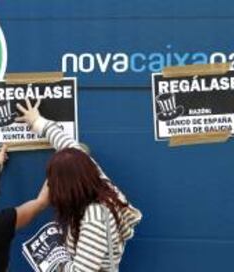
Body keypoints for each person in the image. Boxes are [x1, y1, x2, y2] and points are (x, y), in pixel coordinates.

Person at [17, 99, 142, 271]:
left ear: (66, 187)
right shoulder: (97, 181)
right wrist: (37, 121)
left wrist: (55, 258)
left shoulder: (94, 218)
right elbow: (69, 146)